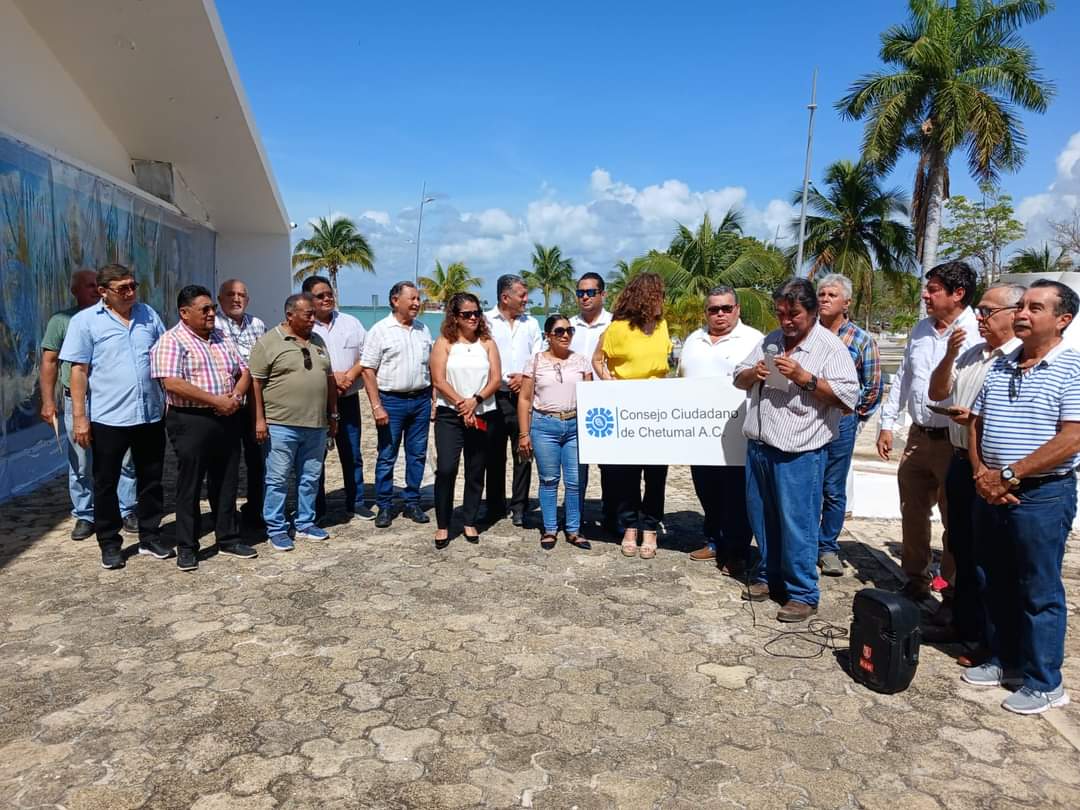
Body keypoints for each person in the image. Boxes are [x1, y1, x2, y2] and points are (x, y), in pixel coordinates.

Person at [964, 280, 1080, 715]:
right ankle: (1004, 660)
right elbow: (976, 422)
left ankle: (1045, 681)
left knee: (1038, 588)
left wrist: (1009, 475)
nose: (1022, 314)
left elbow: (1072, 437)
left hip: (1040, 496)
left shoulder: (1073, 369)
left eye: (1036, 308)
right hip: (991, 490)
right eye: (1021, 307)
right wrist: (981, 473)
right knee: (992, 577)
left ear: (1062, 320)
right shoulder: (1002, 364)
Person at [734, 278, 859, 623]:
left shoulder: (830, 348)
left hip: (800, 452)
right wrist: (752, 373)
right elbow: (737, 377)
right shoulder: (770, 341)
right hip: (760, 445)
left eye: (795, 315)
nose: (787, 322)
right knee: (762, 518)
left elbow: (848, 399)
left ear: (814, 312)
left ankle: (803, 592)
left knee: (797, 524)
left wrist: (806, 378)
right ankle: (768, 575)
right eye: (781, 314)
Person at [923, 282, 1024, 659]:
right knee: (960, 546)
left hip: (997, 471)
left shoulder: (1020, 359)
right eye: (979, 312)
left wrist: (974, 422)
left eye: (988, 312)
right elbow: (936, 393)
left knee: (991, 557)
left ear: (1015, 314)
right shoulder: (971, 353)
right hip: (961, 461)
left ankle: (991, 639)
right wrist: (950, 354)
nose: (980, 319)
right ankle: (961, 622)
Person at [877, 261, 979, 600]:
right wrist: (887, 424)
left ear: (958, 293)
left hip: (955, 441)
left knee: (955, 518)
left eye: (933, 289)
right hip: (919, 436)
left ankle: (948, 586)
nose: (925, 295)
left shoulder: (977, 332)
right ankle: (916, 579)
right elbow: (904, 377)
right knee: (913, 511)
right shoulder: (921, 330)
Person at [59, 264, 169, 570]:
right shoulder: (85, 322)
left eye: (133, 285)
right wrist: (80, 417)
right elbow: (79, 371)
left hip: (148, 414)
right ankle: (109, 543)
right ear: (104, 292)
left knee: (151, 479)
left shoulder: (148, 315)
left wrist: (168, 399)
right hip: (109, 417)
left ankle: (150, 535)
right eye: (123, 289)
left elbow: (163, 356)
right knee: (105, 482)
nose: (131, 293)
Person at [152, 285, 256, 571]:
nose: (212, 314)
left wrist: (234, 397)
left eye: (212, 308)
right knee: (191, 484)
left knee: (227, 480)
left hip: (227, 416)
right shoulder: (171, 341)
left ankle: (228, 537)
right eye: (205, 310)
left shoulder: (221, 337)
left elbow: (244, 370)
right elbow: (172, 383)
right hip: (190, 420)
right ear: (185, 313)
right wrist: (215, 401)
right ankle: (187, 545)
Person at [40, 269, 137, 541]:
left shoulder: (124, 318)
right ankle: (85, 513)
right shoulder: (62, 321)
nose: (96, 290)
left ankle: (127, 508)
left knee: (126, 457)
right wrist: (48, 402)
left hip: (115, 399)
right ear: (75, 290)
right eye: (89, 286)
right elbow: (49, 362)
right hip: (79, 400)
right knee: (81, 460)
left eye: (99, 286)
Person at [678, 286, 763, 574]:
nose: (720, 314)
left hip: (737, 433)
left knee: (737, 495)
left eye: (726, 308)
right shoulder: (693, 339)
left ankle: (737, 551)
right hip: (699, 435)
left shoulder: (754, 339)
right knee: (707, 490)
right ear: (707, 312)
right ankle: (713, 540)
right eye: (714, 309)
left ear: (737, 309)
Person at [249, 293, 338, 551]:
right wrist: (259, 420)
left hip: (316, 424)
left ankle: (305, 522)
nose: (313, 319)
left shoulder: (318, 341)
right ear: (290, 315)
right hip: (280, 425)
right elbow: (256, 383)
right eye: (308, 314)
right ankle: (276, 528)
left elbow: (329, 379)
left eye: (313, 314)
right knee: (277, 479)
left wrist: (333, 415)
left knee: (310, 477)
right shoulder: (268, 343)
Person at [592, 272, 671, 560]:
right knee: (626, 474)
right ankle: (629, 527)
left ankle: (650, 528)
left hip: (657, 410)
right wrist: (610, 382)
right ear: (646, 297)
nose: (663, 300)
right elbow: (597, 359)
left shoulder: (662, 326)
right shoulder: (617, 329)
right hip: (625, 409)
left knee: (655, 472)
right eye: (659, 294)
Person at [815, 274, 883, 576]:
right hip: (807, 420)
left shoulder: (860, 340)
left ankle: (827, 546)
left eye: (832, 294)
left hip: (841, 422)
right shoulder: (806, 334)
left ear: (847, 302)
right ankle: (803, 544)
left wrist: (851, 415)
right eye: (821, 293)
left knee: (833, 487)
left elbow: (872, 387)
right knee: (807, 484)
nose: (825, 298)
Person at [359, 281, 434, 529]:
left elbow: (430, 368)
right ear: (395, 300)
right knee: (387, 455)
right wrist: (376, 406)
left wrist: (433, 401)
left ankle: (412, 501)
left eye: (417, 299)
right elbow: (368, 370)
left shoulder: (423, 330)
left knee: (417, 454)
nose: (416, 303)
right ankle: (385, 504)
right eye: (411, 298)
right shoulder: (380, 331)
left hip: (421, 400)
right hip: (391, 401)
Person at [430, 293, 501, 549]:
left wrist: (475, 400)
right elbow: (438, 380)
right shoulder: (444, 343)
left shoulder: (488, 343)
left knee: (475, 469)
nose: (473, 318)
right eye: (466, 314)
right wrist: (463, 403)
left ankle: (469, 519)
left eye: (476, 313)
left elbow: (495, 379)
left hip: (482, 412)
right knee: (447, 469)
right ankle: (443, 524)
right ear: (455, 317)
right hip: (451, 415)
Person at [518, 315, 593, 550]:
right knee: (549, 480)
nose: (565, 335)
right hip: (544, 426)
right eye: (559, 331)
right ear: (548, 335)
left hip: (575, 426)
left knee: (575, 481)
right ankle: (549, 529)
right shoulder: (535, 362)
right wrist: (523, 433)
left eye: (569, 330)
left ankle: (573, 529)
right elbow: (524, 398)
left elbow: (591, 397)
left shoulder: (581, 361)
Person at [303, 275, 372, 520]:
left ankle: (357, 502)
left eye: (329, 293)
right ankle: (317, 507)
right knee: (315, 457)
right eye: (320, 295)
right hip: (316, 402)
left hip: (348, 398)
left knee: (352, 452)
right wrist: (332, 380)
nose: (327, 298)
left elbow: (367, 355)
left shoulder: (351, 323)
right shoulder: (305, 326)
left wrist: (350, 377)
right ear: (308, 299)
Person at [484, 274, 542, 527]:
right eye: (522, 295)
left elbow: (539, 356)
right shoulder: (485, 321)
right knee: (493, 455)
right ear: (505, 297)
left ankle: (519, 506)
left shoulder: (531, 324)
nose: (526, 300)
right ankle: (495, 506)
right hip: (494, 398)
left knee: (523, 452)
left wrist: (525, 376)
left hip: (523, 397)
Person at [216, 278, 268, 529]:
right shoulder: (212, 324)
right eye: (230, 294)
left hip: (253, 404)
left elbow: (264, 362)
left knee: (257, 460)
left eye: (241, 295)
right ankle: (224, 516)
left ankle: (255, 511)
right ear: (219, 299)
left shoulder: (257, 325)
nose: (236, 299)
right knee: (226, 463)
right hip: (224, 404)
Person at [568, 271, 614, 534]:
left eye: (590, 292)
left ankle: (612, 516)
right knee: (577, 468)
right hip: (572, 404)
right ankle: (576, 517)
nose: (585, 297)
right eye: (580, 293)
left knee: (610, 468)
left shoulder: (615, 324)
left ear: (602, 294)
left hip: (605, 403)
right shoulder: (568, 326)